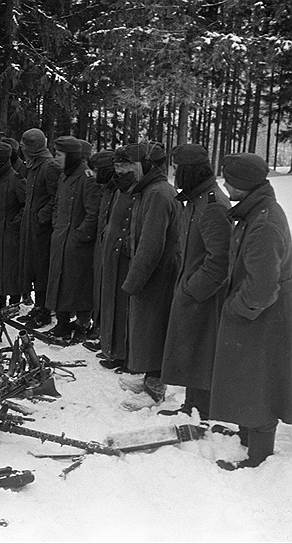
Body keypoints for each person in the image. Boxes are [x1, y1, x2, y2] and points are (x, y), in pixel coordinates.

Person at [211, 153, 292, 470]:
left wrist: (236, 307)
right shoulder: (255, 213)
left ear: (244, 185)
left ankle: (259, 454)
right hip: (258, 312)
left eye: (230, 179)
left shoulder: (264, 224)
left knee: (260, 380)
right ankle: (246, 431)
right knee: (246, 376)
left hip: (264, 316)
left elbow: (262, 287)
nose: (225, 183)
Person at [159, 144, 231, 420]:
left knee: (203, 350)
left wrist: (193, 289)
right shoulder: (197, 199)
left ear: (189, 172)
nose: (173, 174)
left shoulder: (212, 204)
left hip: (204, 295)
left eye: (176, 169)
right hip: (192, 290)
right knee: (193, 348)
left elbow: (220, 259)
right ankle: (193, 404)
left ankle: (207, 409)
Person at [116, 142, 181, 411]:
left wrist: (134, 279)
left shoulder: (158, 194)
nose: (122, 171)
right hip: (152, 272)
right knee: (147, 327)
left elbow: (151, 245)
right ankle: (149, 378)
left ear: (144, 165)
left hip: (159, 273)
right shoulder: (148, 190)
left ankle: (155, 389)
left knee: (154, 328)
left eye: (127, 165)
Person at [45, 136, 102, 343]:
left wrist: (79, 236)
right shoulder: (64, 176)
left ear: (71, 156)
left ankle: (81, 324)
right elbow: (58, 204)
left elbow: (93, 213)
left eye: (59, 155)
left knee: (78, 285)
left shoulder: (87, 178)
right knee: (59, 283)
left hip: (78, 245)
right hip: (61, 238)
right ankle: (61, 322)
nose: (55, 158)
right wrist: (56, 226)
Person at [17, 128, 60, 328]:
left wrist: (41, 217)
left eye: (25, 145)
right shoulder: (34, 165)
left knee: (42, 269)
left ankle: (44, 310)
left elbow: (56, 197)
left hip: (43, 231)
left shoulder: (49, 166)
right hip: (31, 229)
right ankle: (38, 307)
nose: (22, 149)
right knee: (32, 267)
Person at [98, 147, 135, 371]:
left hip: (125, 255)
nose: (119, 170)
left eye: (124, 166)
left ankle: (123, 353)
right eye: (117, 166)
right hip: (113, 252)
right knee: (112, 302)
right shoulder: (119, 188)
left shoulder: (137, 190)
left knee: (123, 306)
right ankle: (114, 350)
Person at [0, 142, 26, 307]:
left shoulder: (16, 179)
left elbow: (25, 205)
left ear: (1, 160)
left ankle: (14, 301)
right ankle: (0, 297)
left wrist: (15, 223)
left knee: (11, 268)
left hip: (11, 234)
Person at [89, 149, 116, 350]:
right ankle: (98, 327)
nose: (92, 174)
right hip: (101, 245)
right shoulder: (106, 189)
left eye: (96, 170)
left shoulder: (117, 191)